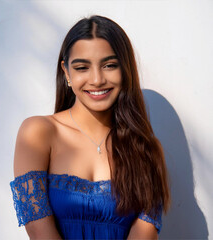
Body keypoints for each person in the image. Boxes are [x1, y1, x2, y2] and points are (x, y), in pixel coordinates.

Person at [9, 15, 170, 239]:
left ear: (125, 70)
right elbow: (39, 232)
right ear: (66, 72)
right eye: (82, 67)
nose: (96, 80)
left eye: (109, 65)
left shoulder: (146, 149)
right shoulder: (38, 132)